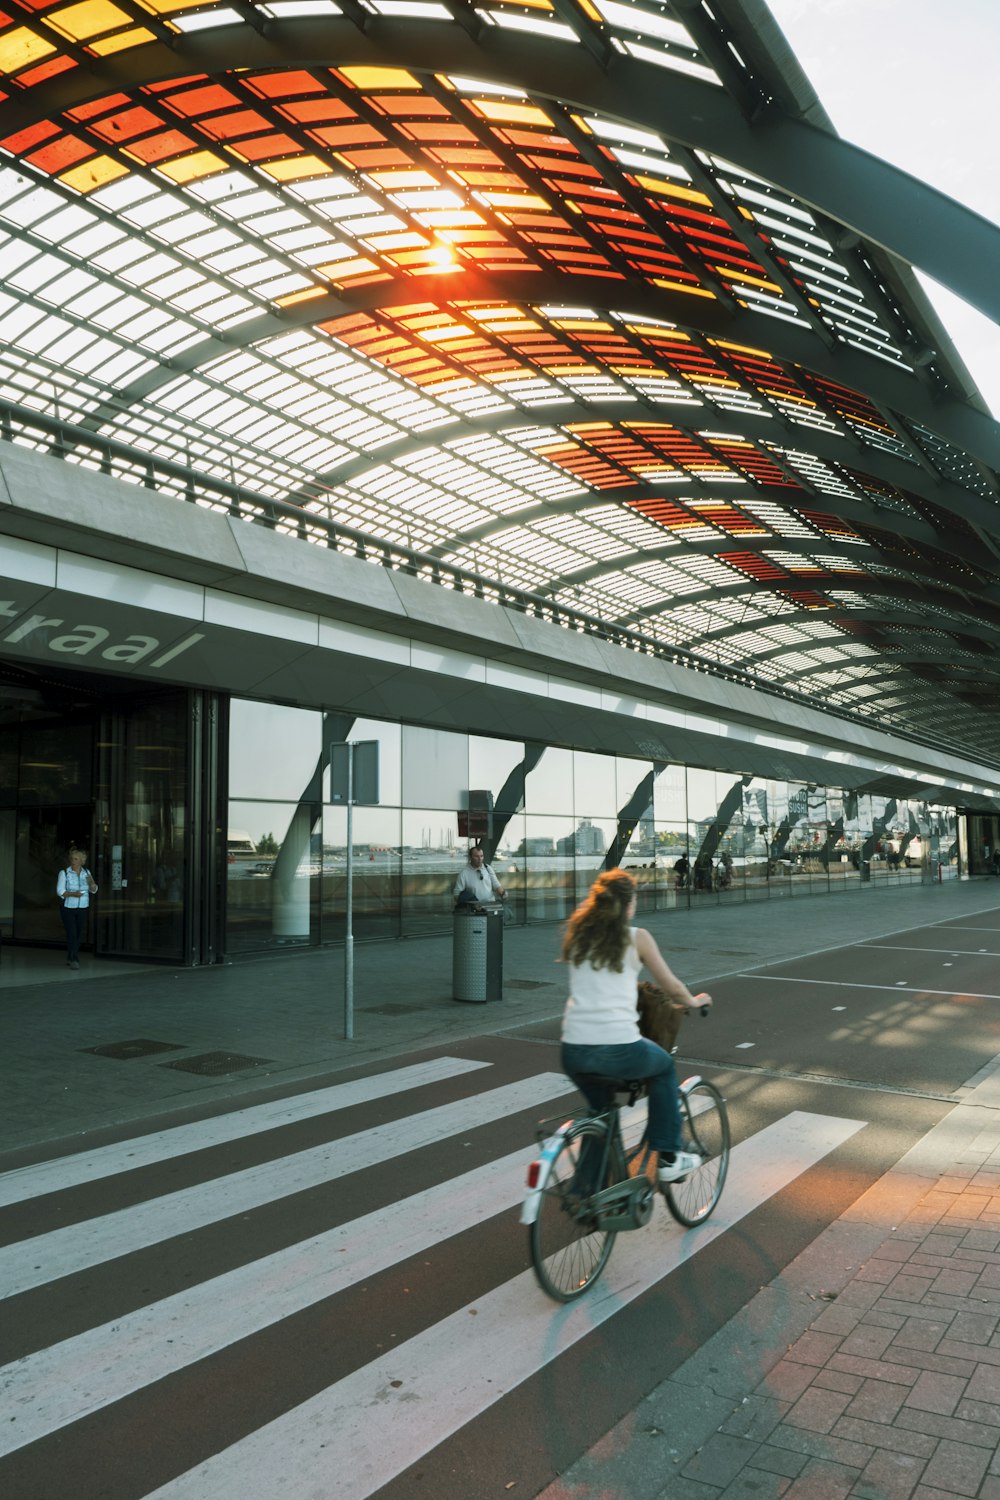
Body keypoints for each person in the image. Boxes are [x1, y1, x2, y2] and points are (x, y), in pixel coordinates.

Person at [560, 867, 711, 1185]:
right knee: (663, 1067)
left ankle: (589, 1192)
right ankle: (669, 1157)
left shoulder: (578, 936)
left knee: (603, 1111)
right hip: (617, 1047)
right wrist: (694, 1001)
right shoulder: (636, 937)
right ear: (628, 904)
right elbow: (671, 987)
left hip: (573, 1049)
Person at [56, 847, 98, 970]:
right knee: (72, 933)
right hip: (68, 907)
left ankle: (70, 956)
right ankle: (74, 958)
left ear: (81, 861)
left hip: (83, 907)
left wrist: (93, 885)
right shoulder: (64, 873)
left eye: (76, 859)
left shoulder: (87, 873)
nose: (73, 861)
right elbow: (60, 891)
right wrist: (74, 894)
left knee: (79, 933)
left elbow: (94, 890)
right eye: (72, 859)